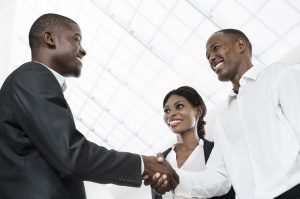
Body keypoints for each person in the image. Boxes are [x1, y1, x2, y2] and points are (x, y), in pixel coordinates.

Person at [0, 13, 179, 199]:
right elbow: (72, 155)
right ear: (49, 39)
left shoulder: (31, 81)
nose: (83, 50)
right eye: (76, 39)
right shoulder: (33, 76)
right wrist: (142, 165)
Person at [151, 28, 300, 198]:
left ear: (241, 45)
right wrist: (175, 178)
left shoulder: (279, 74)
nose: (211, 58)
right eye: (207, 57)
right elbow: (219, 177)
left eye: (215, 48)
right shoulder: (224, 119)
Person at [151, 86, 235, 199]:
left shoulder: (216, 151)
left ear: (198, 111)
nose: (171, 114)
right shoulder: (160, 160)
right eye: (167, 110)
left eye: (179, 106)